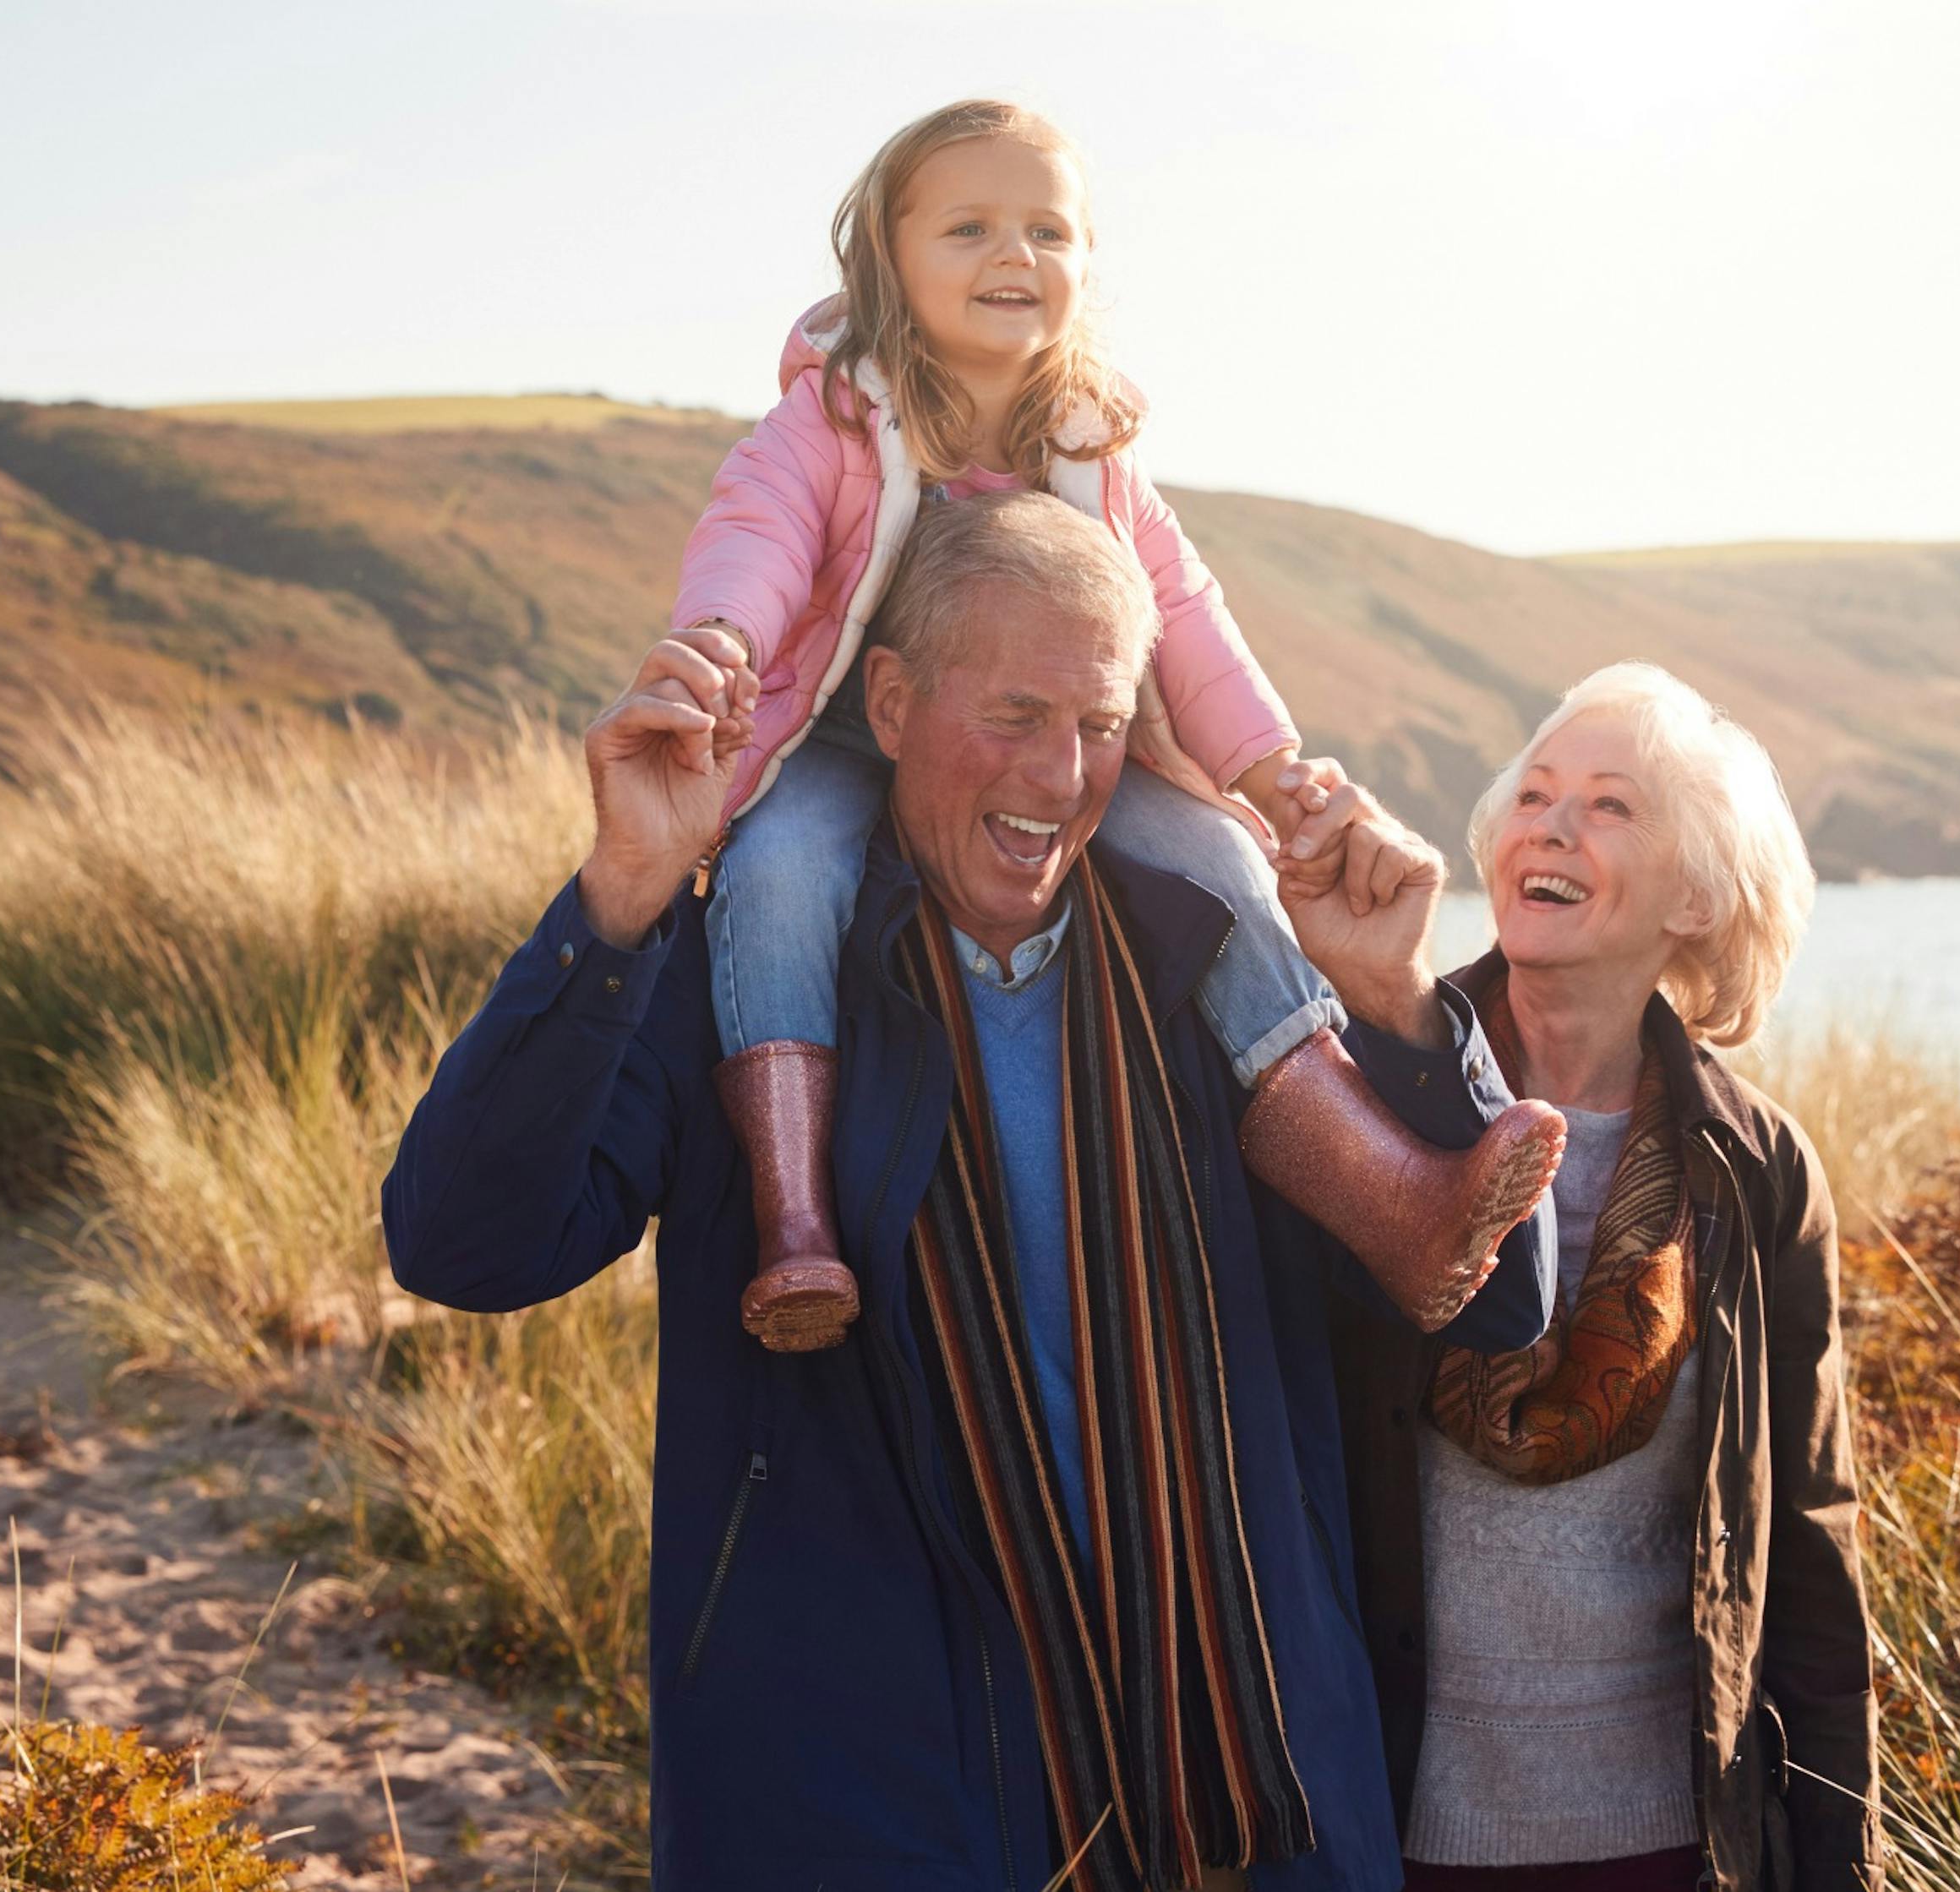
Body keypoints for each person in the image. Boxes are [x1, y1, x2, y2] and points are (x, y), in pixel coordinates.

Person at [385, 490, 1558, 1891]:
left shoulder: (1223, 973)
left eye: (1104, 723)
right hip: (870, 1812)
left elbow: (1496, 1312)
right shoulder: (749, 988)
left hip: (1257, 1806)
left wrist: (1399, 1004)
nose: (1063, 775)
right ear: (887, 703)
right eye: (1011, 715)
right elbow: (463, 1245)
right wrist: (623, 891)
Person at [663, 97, 1565, 1352]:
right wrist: (721, 643)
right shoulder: (835, 419)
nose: (1013, 256)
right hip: (844, 735)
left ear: (1088, 267)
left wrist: (1265, 763)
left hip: (1058, 745)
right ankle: (798, 1223)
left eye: (1049, 230)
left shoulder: (1094, 448)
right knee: (778, 874)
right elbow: (755, 537)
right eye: (969, 226)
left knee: (1222, 860)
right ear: (887, 252)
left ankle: (1393, 1196)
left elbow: (1180, 610)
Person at [1328, 665, 1881, 1891]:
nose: (1553, 826)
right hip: (1379, 1827)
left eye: (1611, 806)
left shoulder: (1757, 1171)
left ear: (1693, 896)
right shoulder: (1367, 1095)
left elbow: (1808, 1541)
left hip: (1670, 1843)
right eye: (1534, 795)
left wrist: (1842, 1859)